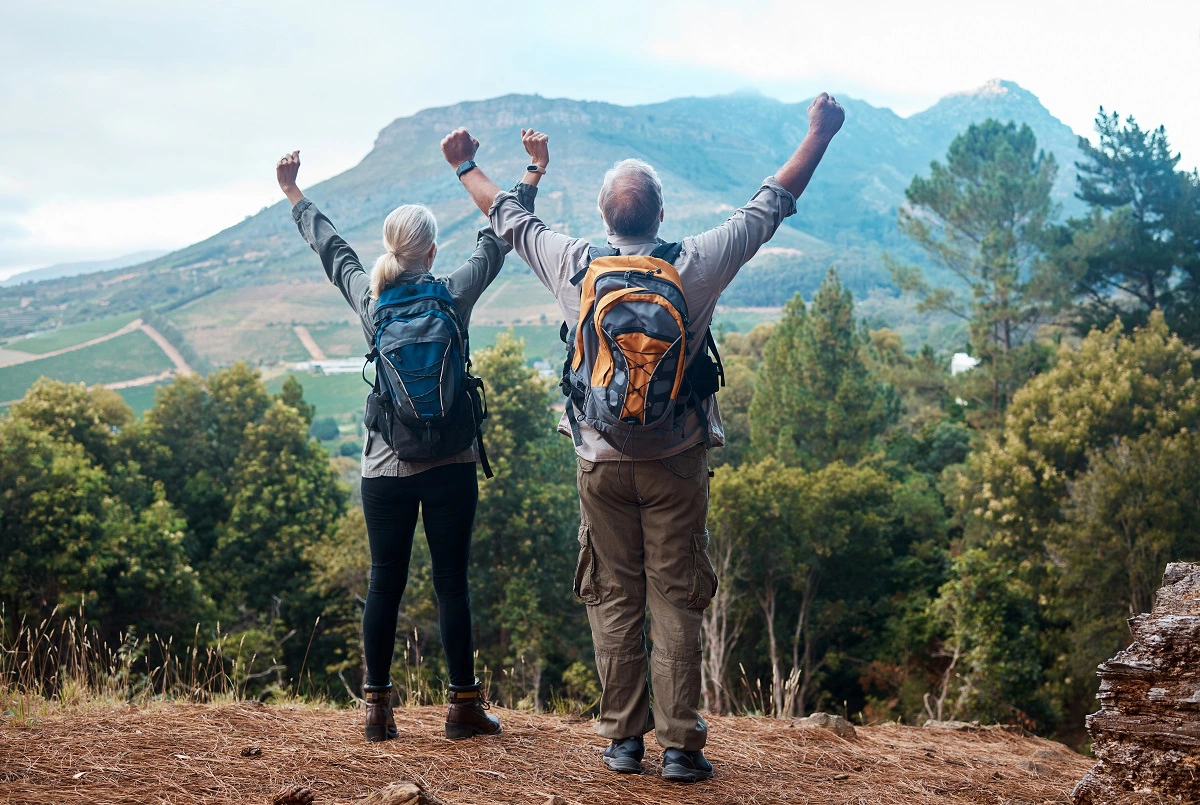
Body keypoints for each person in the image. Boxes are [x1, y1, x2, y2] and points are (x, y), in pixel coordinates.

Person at [439, 94, 845, 781]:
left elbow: (507, 218)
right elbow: (772, 202)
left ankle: (624, 740)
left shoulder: (573, 262)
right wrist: (819, 134)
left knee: (615, 596)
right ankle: (682, 746)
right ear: (659, 214)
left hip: (598, 461)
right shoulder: (697, 263)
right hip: (677, 461)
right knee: (676, 599)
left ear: (605, 216)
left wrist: (466, 165)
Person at [274, 129, 552, 742]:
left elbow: (333, 251)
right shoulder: (453, 294)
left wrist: (294, 190)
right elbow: (501, 238)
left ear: (392, 250)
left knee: (384, 581)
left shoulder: (371, 303)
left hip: (385, 466)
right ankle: (462, 707)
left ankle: (377, 709)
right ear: (430, 251)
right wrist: (532, 172)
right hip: (451, 459)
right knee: (452, 581)